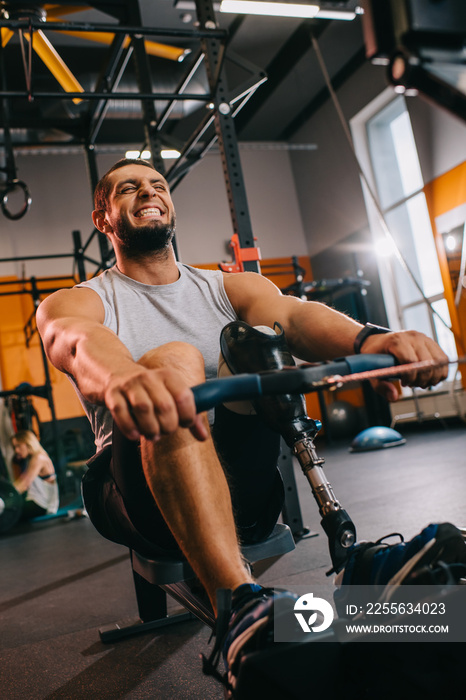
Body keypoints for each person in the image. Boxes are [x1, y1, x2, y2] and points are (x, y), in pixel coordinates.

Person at [36, 158, 450, 692]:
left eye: (158, 184)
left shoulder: (225, 288)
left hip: (246, 494)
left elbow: (295, 316)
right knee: (174, 361)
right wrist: (122, 379)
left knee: (257, 340)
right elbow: (73, 339)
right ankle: (243, 613)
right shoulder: (80, 299)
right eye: (129, 188)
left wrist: (373, 341)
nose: (148, 192)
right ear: (103, 216)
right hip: (136, 501)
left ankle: (359, 566)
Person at [11, 430, 59, 520]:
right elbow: (21, 481)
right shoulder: (34, 457)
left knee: (9, 512)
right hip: (38, 503)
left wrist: (5, 498)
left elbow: (24, 485)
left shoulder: (38, 458)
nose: (16, 450)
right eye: (14, 447)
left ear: (28, 443)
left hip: (42, 505)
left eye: (18, 446)